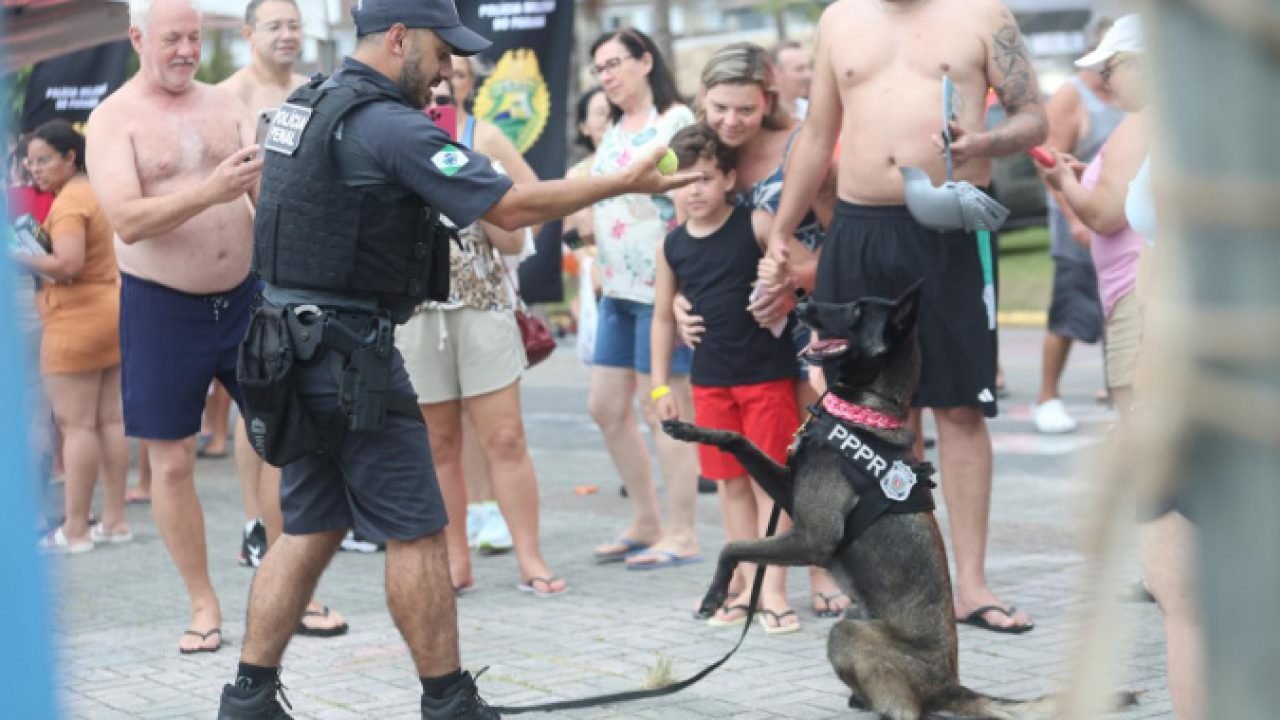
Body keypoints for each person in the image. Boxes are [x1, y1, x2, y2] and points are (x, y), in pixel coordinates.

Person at [213, 0, 697, 715]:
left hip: (289, 349)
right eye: (441, 53)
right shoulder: (388, 123)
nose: (445, 73)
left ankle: (247, 698)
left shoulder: (304, 106)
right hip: (351, 361)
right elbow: (511, 208)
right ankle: (448, 702)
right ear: (399, 38)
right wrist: (624, 181)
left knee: (307, 526)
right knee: (416, 532)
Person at [763, 0, 1048, 633]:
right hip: (860, 228)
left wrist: (984, 142)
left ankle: (971, 585)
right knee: (873, 416)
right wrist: (782, 229)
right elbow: (817, 136)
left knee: (960, 408)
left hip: (951, 224)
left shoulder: (983, 15)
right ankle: (905, 582)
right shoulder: (839, 19)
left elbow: (1034, 119)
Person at [85, 0, 262, 654]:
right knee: (172, 460)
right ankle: (203, 602)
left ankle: (288, 586)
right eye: (173, 39)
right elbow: (129, 220)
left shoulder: (226, 103)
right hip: (161, 306)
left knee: (287, 437)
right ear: (137, 38)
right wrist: (211, 191)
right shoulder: (113, 118)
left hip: (245, 297)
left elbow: (264, 195)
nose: (187, 50)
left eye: (194, 37)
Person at [679, 42, 849, 618]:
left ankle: (821, 569)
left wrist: (797, 280)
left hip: (803, 320)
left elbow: (842, 244)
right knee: (742, 464)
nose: (731, 121)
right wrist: (677, 301)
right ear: (703, 99)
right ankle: (748, 575)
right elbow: (685, 242)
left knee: (807, 452)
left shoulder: (802, 145)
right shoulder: (697, 152)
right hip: (734, 330)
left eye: (745, 109)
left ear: (768, 100)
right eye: (720, 107)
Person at [214, 0, 352, 638]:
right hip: (257, 267)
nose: (288, 34)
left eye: (295, 24)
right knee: (260, 400)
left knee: (304, 399)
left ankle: (299, 522)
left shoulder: (318, 87)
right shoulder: (228, 98)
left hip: (312, 265)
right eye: (275, 25)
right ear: (249, 33)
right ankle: (259, 525)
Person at [396, 77, 565, 597]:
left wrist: (471, 182)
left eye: (444, 97)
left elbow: (517, 234)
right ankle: (454, 560)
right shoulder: (390, 145)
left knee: (505, 437)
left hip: (482, 307)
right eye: (427, 97)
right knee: (438, 442)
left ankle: (531, 558)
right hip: (417, 313)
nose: (435, 104)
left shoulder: (481, 145)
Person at [652, 124, 801, 632]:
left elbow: (792, 273)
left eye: (705, 178)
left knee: (769, 485)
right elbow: (661, 319)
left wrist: (781, 284)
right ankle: (747, 585)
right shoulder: (672, 247)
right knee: (731, 484)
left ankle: (774, 590)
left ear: (729, 179)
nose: (693, 191)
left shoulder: (755, 224)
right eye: (683, 181)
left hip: (765, 379)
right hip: (710, 384)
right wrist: (659, 386)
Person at [585, 28, 702, 570]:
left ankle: (683, 532)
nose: (606, 76)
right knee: (606, 407)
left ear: (646, 61)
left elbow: (689, 205)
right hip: (615, 290)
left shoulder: (674, 123)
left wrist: (684, 289)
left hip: (660, 292)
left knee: (665, 410)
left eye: (614, 64)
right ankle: (646, 521)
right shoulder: (612, 128)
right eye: (599, 69)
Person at [13, 121, 131, 553]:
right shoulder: (97, 191)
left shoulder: (69, 203)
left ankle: (76, 529)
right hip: (110, 311)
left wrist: (16, 254)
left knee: (76, 426)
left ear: (70, 157)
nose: (35, 169)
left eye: (44, 160)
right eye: (30, 162)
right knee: (111, 421)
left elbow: (67, 264)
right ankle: (114, 521)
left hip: (75, 319)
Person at [1032, 17, 1124, 435]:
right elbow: (1048, 162)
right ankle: (1047, 395)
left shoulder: (1131, 96)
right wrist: (1074, 218)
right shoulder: (1073, 95)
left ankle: (1118, 392)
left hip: (1122, 224)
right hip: (1081, 222)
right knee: (1070, 309)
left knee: (1121, 309)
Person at [769, 41, 812, 121]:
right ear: (775, 73)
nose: (809, 75)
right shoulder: (765, 117)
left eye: (809, 67)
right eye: (799, 69)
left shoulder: (811, 111)